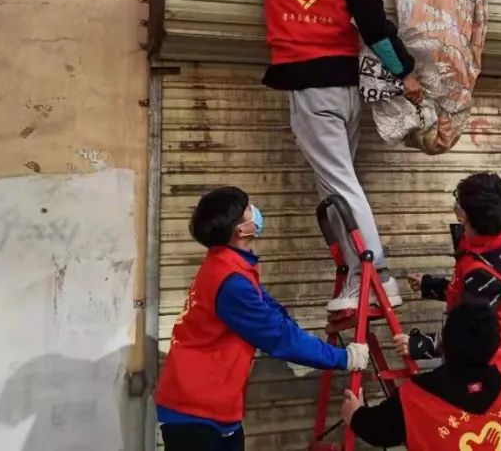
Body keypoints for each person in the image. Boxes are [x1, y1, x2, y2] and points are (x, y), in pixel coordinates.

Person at [241, 0, 421, 311]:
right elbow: (376, 30)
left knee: (340, 184)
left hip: (309, 89)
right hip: (347, 91)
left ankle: (378, 277)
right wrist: (404, 71)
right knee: (334, 186)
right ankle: (358, 278)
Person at [155, 186, 370, 450]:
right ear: (240, 229)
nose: (254, 210)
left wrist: (292, 326)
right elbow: (278, 337)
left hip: (214, 406)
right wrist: (342, 357)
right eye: (248, 208)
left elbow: (269, 309)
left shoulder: (231, 265)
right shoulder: (231, 281)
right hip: (196, 410)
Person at [397, 173, 501, 442]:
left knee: (495, 442)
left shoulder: (484, 271)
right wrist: (431, 285)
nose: (457, 211)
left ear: (468, 217)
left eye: (459, 206)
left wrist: (425, 345)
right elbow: (474, 293)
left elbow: (473, 330)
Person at [343, 303, 501, 450]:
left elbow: (379, 429)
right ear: (495, 344)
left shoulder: (415, 398)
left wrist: (356, 415)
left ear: (444, 342)